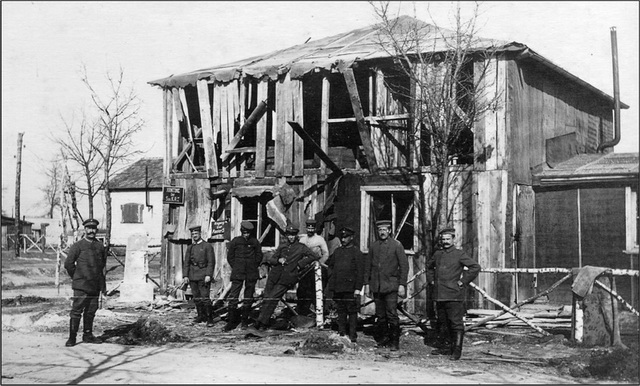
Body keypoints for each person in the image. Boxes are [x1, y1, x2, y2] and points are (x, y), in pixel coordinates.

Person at [249, 225, 320, 331]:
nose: (291, 237)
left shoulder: (301, 247)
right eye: (289, 235)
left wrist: (300, 264)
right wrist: (278, 260)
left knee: (273, 298)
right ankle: (262, 321)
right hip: (274, 275)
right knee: (267, 298)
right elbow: (272, 260)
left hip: (288, 277)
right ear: (286, 235)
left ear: (296, 236)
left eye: (293, 235)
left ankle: (261, 323)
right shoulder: (282, 246)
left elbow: (314, 256)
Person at [426, 228, 481, 360]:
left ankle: (457, 350)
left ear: (453, 239)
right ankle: (446, 348)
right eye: (443, 239)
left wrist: (463, 281)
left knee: (455, 323)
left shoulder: (459, 254)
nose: (445, 242)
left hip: (454, 294)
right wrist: (432, 280)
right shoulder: (437, 254)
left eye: (447, 239)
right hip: (440, 294)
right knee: (443, 322)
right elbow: (428, 267)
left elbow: (475, 267)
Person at [363, 219, 409, 351]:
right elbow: (368, 267)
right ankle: (383, 339)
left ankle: (394, 342)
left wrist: (402, 284)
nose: (382, 232)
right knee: (380, 315)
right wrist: (366, 284)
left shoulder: (396, 245)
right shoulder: (374, 246)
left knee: (392, 315)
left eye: (385, 230)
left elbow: (404, 266)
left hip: (391, 286)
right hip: (377, 286)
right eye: (380, 230)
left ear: (389, 231)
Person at [63, 218, 107, 347]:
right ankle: (72, 337)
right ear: (85, 230)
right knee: (77, 311)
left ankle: (88, 335)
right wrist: (77, 277)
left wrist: (102, 285)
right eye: (89, 228)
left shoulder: (100, 246)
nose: (91, 230)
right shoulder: (77, 246)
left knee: (91, 311)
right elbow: (68, 264)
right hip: (81, 285)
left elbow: (102, 266)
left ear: (96, 230)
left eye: (94, 228)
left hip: (95, 285)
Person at [325, 226, 364, 342]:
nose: (343, 240)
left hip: (351, 288)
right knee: (341, 311)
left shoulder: (357, 252)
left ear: (351, 238)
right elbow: (331, 267)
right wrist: (332, 282)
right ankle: (341, 333)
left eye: (346, 237)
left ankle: (352, 335)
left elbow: (360, 272)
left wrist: (358, 288)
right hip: (339, 287)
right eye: (342, 237)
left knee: (352, 312)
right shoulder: (337, 252)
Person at [224, 221, 263, 331]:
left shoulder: (255, 242)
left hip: (251, 272)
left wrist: (252, 266)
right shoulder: (236, 241)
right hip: (238, 272)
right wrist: (237, 266)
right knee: (233, 296)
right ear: (241, 231)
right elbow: (230, 256)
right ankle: (231, 322)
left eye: (248, 233)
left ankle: (244, 321)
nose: (246, 235)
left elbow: (259, 256)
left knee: (248, 297)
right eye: (245, 233)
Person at [182, 225, 216, 327]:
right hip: (192, 275)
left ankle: (210, 318)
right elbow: (186, 263)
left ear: (200, 234)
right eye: (193, 234)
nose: (194, 236)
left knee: (205, 297)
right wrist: (185, 276)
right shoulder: (190, 248)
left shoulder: (207, 246)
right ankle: (200, 316)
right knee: (196, 297)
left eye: (196, 234)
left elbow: (211, 262)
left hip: (203, 274)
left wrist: (208, 275)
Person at [296, 218, 329, 317]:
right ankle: (302, 312)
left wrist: (319, 263)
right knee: (302, 290)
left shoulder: (320, 239)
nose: (310, 230)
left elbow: (326, 253)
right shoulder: (302, 239)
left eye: (312, 228)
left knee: (316, 290)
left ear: (314, 229)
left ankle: (319, 313)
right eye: (308, 228)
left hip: (316, 269)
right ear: (306, 228)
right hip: (304, 269)